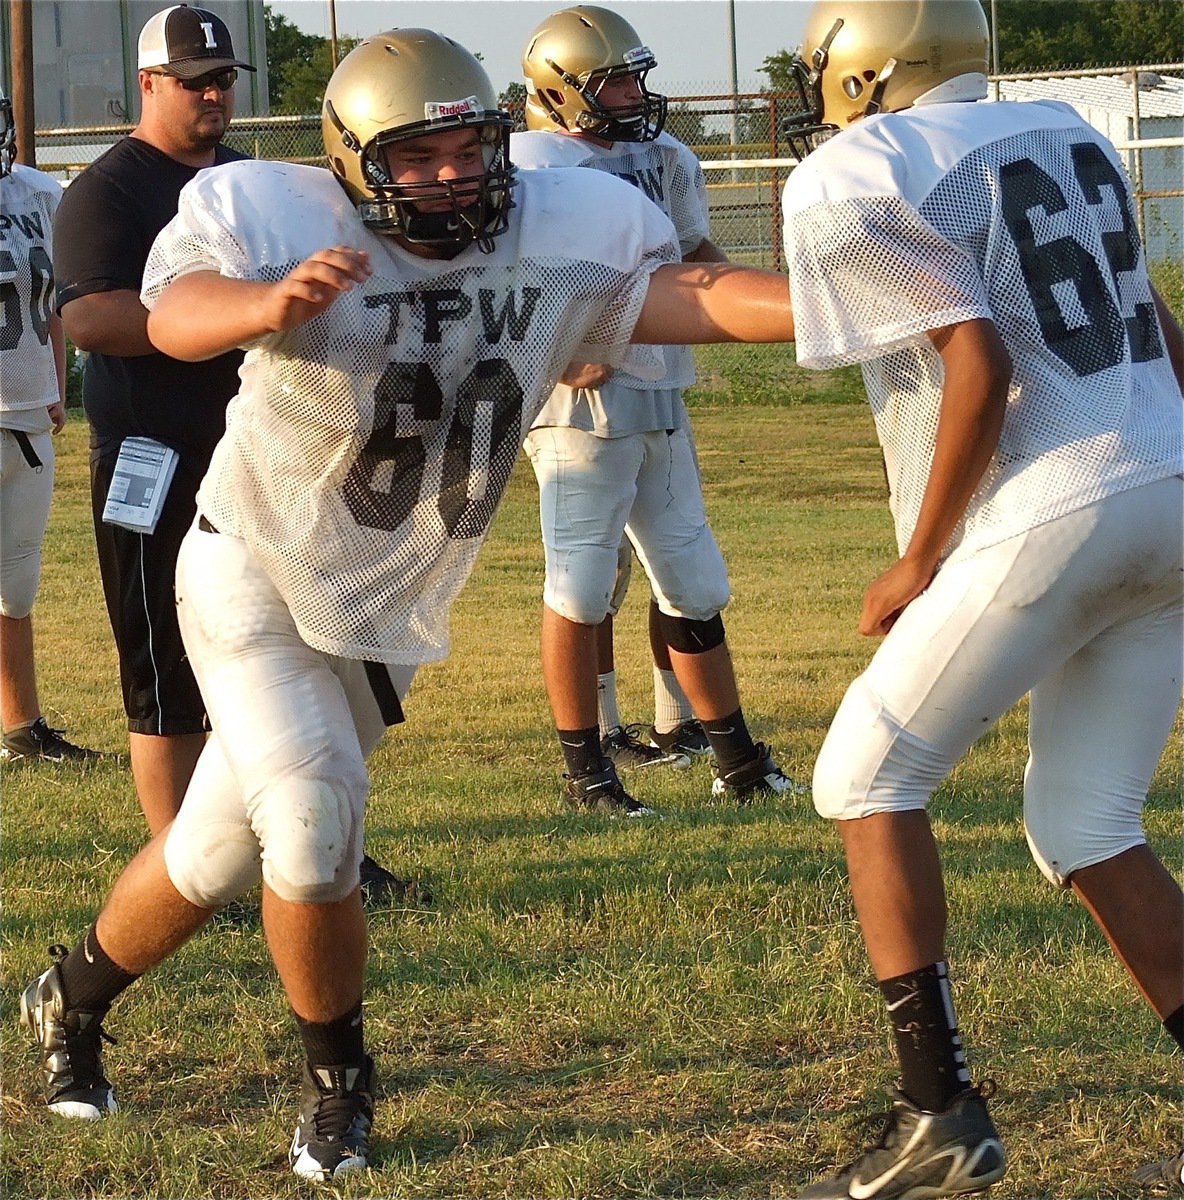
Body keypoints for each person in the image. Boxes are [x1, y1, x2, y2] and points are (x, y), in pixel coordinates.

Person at [19, 27, 794, 1181]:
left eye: (468, 149)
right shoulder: (279, 222)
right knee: (318, 814)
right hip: (253, 566)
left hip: (382, 595)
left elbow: (691, 293)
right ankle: (340, 1085)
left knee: (218, 849)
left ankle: (69, 998)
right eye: (416, 157)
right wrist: (260, 307)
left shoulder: (560, 231)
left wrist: (851, 300)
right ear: (350, 161)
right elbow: (173, 309)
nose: (452, 177)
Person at [777, 2, 1184, 1197]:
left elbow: (978, 359)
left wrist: (919, 556)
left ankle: (937, 1111)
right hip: (1165, 476)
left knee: (861, 773)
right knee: (1084, 822)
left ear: (864, 65)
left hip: (1059, 497)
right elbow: (1146, 319)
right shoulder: (1060, 123)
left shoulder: (858, 167)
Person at [514, 4, 802, 816]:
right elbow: (505, 277)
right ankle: (587, 774)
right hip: (581, 407)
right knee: (579, 584)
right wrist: (556, 347)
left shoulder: (664, 154)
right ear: (560, 89)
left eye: (636, 76)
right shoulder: (530, 163)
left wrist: (784, 302)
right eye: (613, 80)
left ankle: (738, 763)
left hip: (661, 387)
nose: (634, 93)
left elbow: (692, 254)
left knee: (696, 583)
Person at [51, 4, 253, 832]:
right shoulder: (108, 189)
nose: (212, 96)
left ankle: (290, 840)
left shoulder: (244, 178)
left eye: (223, 80)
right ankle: (176, 868)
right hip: (154, 451)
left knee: (266, 658)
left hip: (256, 449)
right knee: (164, 663)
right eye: (194, 81)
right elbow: (91, 318)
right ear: (149, 84)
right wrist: (229, 319)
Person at [0, 95, 102, 764]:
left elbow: (59, 295)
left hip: (29, 411)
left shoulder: (40, 192)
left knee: (16, 585)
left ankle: (21, 728)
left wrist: (59, 386)